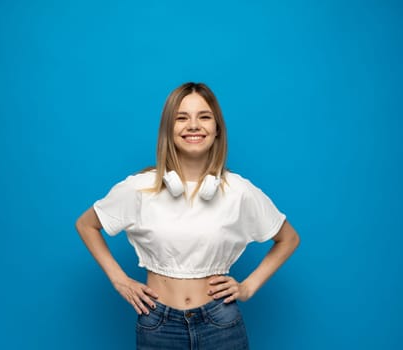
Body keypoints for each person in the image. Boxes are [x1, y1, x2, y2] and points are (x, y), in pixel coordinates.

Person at [75, 82, 300, 349]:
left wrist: (248, 287)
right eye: (181, 118)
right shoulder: (140, 188)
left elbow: (288, 238)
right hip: (158, 325)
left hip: (221, 324)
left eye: (204, 117)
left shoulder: (239, 190)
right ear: (168, 130)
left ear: (217, 130)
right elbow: (86, 224)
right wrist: (119, 280)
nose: (193, 125)